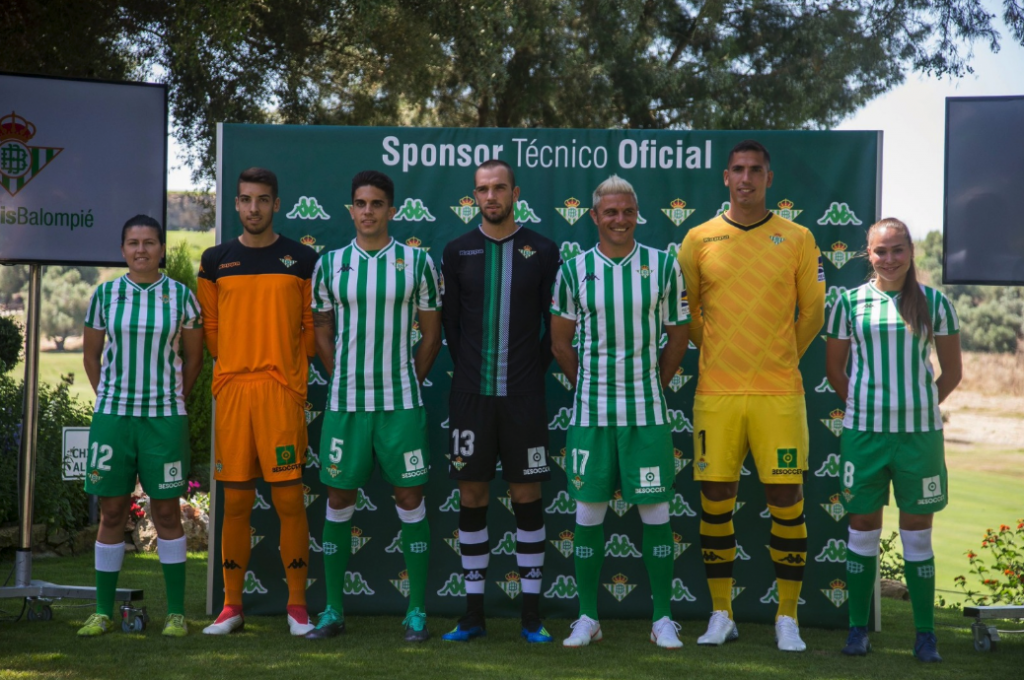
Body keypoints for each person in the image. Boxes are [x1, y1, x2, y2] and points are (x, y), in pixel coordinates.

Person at [677, 140, 825, 651]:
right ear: (725, 178)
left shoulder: (799, 237)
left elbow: (813, 314)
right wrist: (717, 349)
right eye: (737, 170)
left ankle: (787, 617)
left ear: (769, 177)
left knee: (787, 498)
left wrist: (781, 354)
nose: (746, 179)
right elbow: (688, 316)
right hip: (716, 392)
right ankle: (722, 613)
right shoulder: (698, 238)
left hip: (779, 392)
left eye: (755, 170)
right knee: (715, 499)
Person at [550, 175, 690, 649]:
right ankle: (588, 616)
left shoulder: (663, 266)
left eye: (627, 211)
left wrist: (653, 385)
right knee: (589, 512)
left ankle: (663, 618)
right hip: (590, 414)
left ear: (637, 215)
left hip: (646, 413)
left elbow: (678, 335)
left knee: (655, 511)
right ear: (594, 216)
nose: (619, 219)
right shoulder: (573, 270)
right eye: (610, 212)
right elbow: (560, 341)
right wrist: (589, 385)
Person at [305, 170, 442, 642]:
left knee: (410, 498)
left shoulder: (417, 263)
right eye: (360, 203)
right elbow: (321, 327)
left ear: (392, 210)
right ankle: (333, 612)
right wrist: (338, 372)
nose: (368, 211)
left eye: (377, 204)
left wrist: (408, 379)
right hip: (345, 404)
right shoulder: (330, 265)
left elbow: (432, 333)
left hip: (400, 404)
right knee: (339, 498)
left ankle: (417, 611)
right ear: (351, 210)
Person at [825, 218, 961, 662]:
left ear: (911, 253)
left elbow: (953, 372)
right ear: (868, 254)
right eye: (880, 251)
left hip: (919, 438)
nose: (889, 259)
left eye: (897, 250)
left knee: (917, 536)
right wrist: (868, 410)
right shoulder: (849, 303)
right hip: (864, 436)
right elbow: (835, 371)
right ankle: (858, 630)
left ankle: (925, 636)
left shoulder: (935, 303)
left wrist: (919, 407)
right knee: (862, 529)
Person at [440, 160, 561, 643]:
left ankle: (531, 616)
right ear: (474, 195)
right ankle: (473, 615)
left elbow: (554, 330)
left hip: (524, 397)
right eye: (482, 189)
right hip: (470, 397)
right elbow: (451, 325)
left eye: (499, 189)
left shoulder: (543, 249)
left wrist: (527, 373)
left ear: (515, 192)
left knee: (527, 495)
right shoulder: (457, 250)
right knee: (472, 495)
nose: (490, 197)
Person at [197, 167, 318, 636]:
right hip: (232, 394)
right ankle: (231, 607)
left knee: (289, 500)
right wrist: (235, 365)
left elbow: (310, 328)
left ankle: (297, 606)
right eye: (245, 200)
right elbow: (211, 329)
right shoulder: (215, 260)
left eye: (262, 200)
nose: (253, 208)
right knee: (237, 503)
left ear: (276, 204)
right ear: (235, 204)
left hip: (280, 395)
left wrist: (286, 370)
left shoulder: (301, 259)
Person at [78, 215, 204, 637]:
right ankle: (101, 611)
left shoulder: (182, 298)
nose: (141, 250)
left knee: (166, 510)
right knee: (112, 510)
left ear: (162, 249)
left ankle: (176, 614)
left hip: (164, 418)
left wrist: (173, 400)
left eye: (150, 243)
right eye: (133, 243)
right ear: (122, 250)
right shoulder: (105, 295)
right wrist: (109, 397)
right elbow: (92, 357)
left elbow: (194, 359)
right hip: (114, 418)